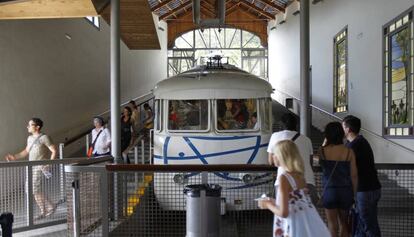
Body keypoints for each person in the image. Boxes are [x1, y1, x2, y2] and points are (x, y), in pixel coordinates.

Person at [258, 140, 330, 237]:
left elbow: (284, 213)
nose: (273, 156)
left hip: (291, 227)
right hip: (302, 225)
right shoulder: (299, 176)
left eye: (275, 154)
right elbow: (293, 202)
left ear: (281, 156)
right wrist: (274, 201)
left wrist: (267, 205)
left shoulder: (284, 178)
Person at [5, 118, 57, 219]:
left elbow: (54, 150)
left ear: (37, 127)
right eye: (28, 125)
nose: (28, 127)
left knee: (33, 189)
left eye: (30, 125)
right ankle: (47, 208)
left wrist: (49, 164)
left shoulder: (44, 137)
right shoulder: (30, 138)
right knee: (32, 189)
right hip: (31, 167)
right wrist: (14, 157)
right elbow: (26, 151)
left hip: (39, 167)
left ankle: (48, 208)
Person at [342, 115, 382, 237]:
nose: (341, 130)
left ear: (348, 129)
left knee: (368, 226)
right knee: (363, 225)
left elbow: (340, 163)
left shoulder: (353, 146)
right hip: (372, 188)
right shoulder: (362, 141)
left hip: (365, 191)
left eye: (342, 126)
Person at [267, 113, 317, 204]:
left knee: (287, 214)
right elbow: (310, 162)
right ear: (296, 125)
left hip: (286, 181)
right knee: (305, 214)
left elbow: (270, 161)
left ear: (281, 125)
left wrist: (268, 204)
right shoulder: (307, 139)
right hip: (308, 180)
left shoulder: (275, 136)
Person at [319, 122, 358, 237]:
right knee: (344, 224)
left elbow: (323, 148)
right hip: (345, 191)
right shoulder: (349, 152)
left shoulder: (322, 151)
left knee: (332, 224)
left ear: (327, 135)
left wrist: (327, 139)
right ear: (341, 134)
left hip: (329, 191)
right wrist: (354, 193)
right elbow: (354, 175)